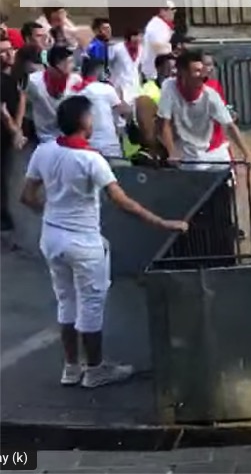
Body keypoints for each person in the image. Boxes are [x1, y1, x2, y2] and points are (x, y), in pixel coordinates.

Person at [20, 96, 188, 388]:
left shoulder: (44, 151)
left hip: (52, 237)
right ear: (84, 122)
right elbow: (122, 202)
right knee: (91, 304)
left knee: (66, 301)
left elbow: (27, 197)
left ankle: (71, 367)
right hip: (83, 240)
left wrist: (51, 214)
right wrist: (163, 223)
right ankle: (95, 368)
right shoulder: (90, 159)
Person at [158, 50, 251, 170]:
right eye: (197, 71)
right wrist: (172, 152)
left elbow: (230, 126)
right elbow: (164, 123)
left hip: (215, 150)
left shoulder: (211, 95)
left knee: (227, 178)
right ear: (183, 73)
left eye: (202, 70)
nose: (203, 75)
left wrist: (247, 154)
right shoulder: (169, 87)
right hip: (188, 152)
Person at [69, 58, 132, 160]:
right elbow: (124, 111)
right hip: (109, 147)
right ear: (99, 71)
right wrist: (120, 95)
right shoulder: (106, 89)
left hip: (84, 146)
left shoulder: (73, 91)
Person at [123, 54, 175, 164]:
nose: (172, 72)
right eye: (168, 68)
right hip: (154, 137)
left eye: (175, 69)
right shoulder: (148, 90)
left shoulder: (176, 88)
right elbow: (144, 120)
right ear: (159, 68)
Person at [25, 46, 81, 144]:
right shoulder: (33, 81)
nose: (73, 66)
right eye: (69, 62)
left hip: (68, 138)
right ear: (57, 64)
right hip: (44, 138)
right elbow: (23, 105)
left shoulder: (76, 80)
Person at [1, 33, 25, 238]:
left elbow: (20, 99)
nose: (9, 54)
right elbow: (2, 110)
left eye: (10, 49)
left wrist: (17, 128)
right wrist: (15, 131)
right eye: (3, 52)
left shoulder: (12, 78)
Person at [141, 2, 176, 80]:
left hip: (162, 69)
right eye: (171, 9)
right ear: (162, 11)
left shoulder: (163, 25)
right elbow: (158, 48)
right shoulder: (156, 26)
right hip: (155, 72)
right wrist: (173, 49)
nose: (174, 12)